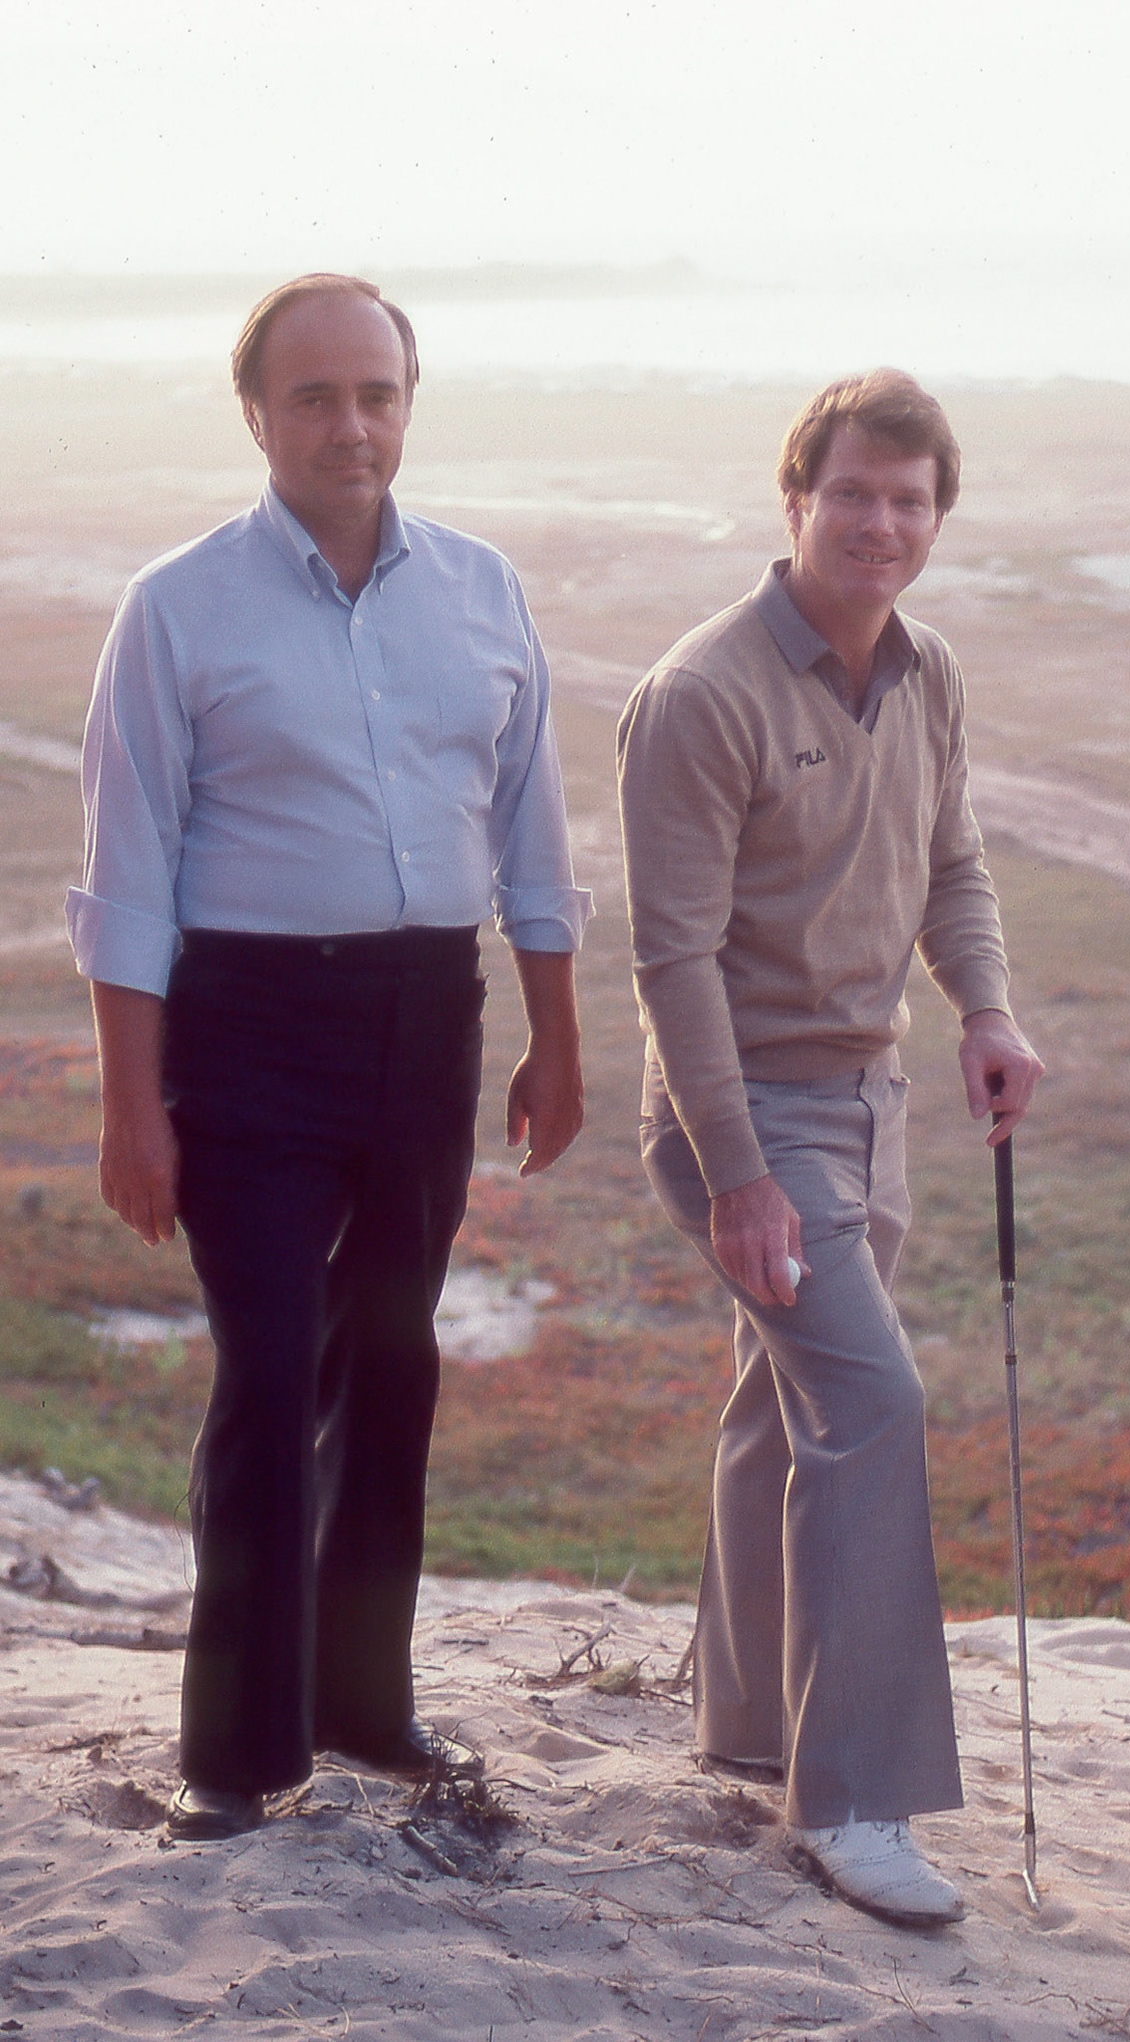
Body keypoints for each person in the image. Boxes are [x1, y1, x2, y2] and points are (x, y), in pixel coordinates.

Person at [69, 274, 590, 1841]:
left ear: (407, 404)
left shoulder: (486, 590)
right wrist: (129, 1108)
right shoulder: (177, 606)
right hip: (246, 1030)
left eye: (376, 393)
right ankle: (235, 1755)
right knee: (272, 1362)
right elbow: (127, 872)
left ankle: (365, 1702)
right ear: (257, 415)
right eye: (314, 397)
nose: (350, 424)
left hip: (429, 1019)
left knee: (397, 1355)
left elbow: (534, 838)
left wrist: (560, 1043)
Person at [617, 369, 1043, 1927]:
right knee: (867, 1401)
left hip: (873, 1101)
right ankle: (853, 1799)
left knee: (777, 1397)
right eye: (852, 492)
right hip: (746, 1109)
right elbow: (671, 962)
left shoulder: (927, 672)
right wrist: (736, 1174)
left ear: (938, 517)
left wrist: (986, 1012)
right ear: (793, 499)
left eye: (910, 498)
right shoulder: (704, 691)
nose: (881, 522)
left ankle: (749, 1723)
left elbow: (956, 863)